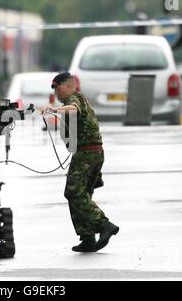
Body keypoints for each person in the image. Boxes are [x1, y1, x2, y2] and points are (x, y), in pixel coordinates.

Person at [41, 72, 119, 253]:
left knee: (73, 192)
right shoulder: (77, 99)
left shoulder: (74, 99)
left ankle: (104, 224)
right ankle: (87, 237)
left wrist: (54, 109)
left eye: (57, 87)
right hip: (93, 152)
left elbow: (74, 109)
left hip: (87, 154)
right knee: (83, 194)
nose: (56, 92)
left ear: (68, 86)